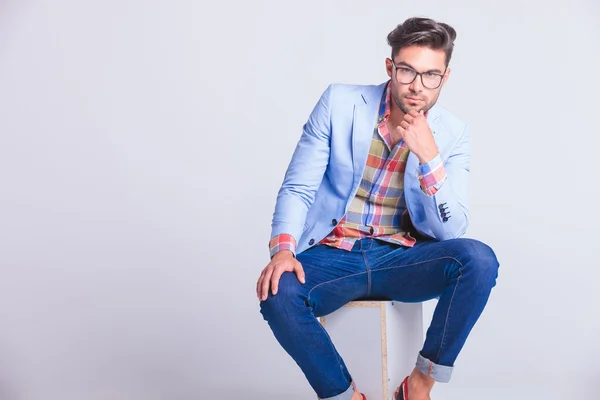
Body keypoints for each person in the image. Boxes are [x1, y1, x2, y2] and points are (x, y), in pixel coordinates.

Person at [256, 16, 499, 400]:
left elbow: (453, 232)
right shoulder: (339, 102)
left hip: (403, 259)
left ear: (445, 77)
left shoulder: (453, 133)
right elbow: (298, 187)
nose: (418, 86)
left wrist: (430, 158)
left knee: (480, 260)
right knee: (277, 291)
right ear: (390, 67)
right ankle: (344, 394)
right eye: (407, 71)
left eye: (430, 75)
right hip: (335, 253)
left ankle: (419, 384)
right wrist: (283, 249)